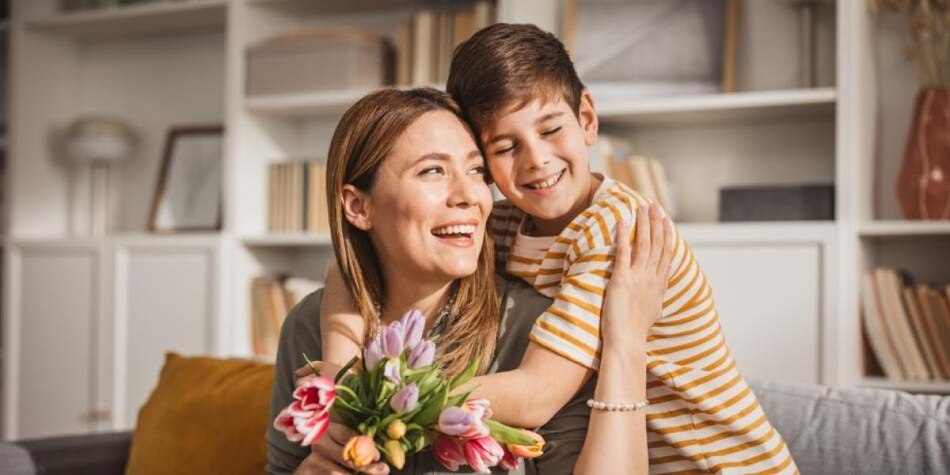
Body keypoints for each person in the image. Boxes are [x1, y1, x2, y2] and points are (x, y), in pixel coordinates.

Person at [321, 24, 798, 473]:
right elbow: (353, 264)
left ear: (586, 118)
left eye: (551, 130)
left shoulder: (614, 228)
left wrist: (381, 399)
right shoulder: (506, 222)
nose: (537, 159)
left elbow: (537, 395)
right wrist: (337, 368)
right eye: (506, 147)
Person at [266, 87, 673, 474]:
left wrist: (626, 339)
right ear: (358, 206)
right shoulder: (310, 324)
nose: (470, 196)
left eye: (476, 170)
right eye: (433, 170)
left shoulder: (535, 332)